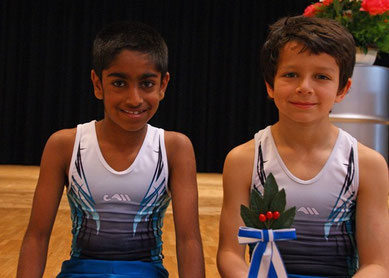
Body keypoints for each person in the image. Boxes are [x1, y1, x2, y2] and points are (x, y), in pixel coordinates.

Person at [17, 21, 205, 278]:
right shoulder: (65, 145)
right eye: (119, 83)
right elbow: (37, 237)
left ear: (163, 85)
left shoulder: (174, 148)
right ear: (97, 83)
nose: (134, 99)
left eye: (147, 84)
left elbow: (189, 241)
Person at [217, 15, 389, 278]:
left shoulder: (368, 165)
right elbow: (230, 253)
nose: (304, 87)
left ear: (343, 89)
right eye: (291, 74)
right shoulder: (243, 159)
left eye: (321, 76)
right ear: (269, 84)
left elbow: (376, 265)